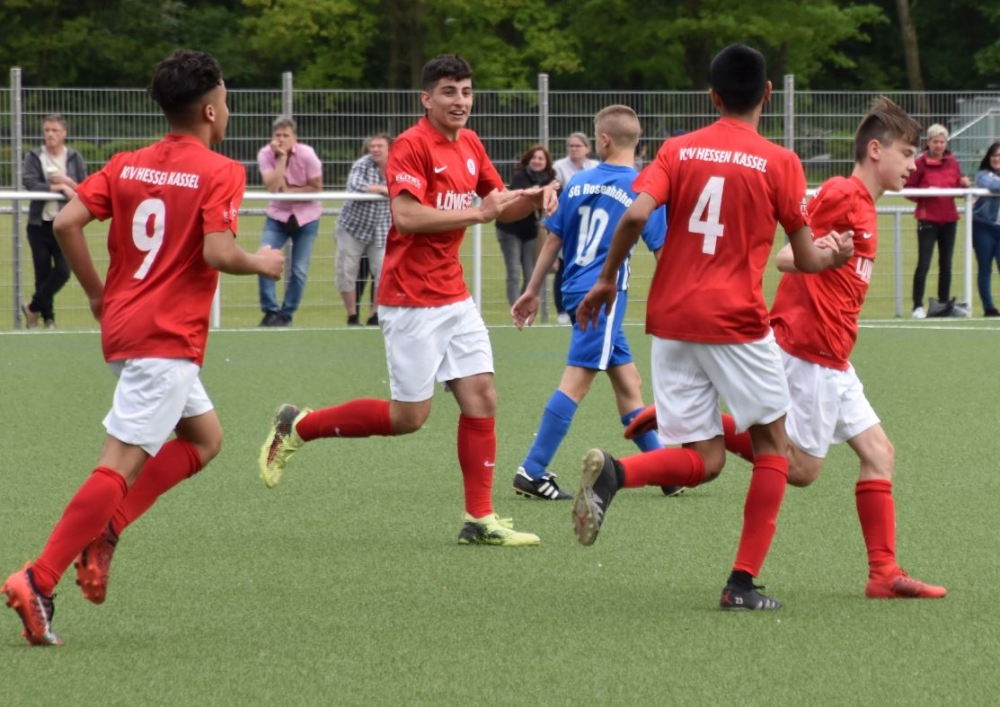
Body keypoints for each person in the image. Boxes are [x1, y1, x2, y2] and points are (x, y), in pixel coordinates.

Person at [1, 49, 284, 647]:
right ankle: (39, 578)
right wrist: (261, 261)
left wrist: (97, 294)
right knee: (119, 463)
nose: (227, 109)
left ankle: (107, 530)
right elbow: (217, 251)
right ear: (211, 110)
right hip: (168, 338)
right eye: (226, 100)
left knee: (205, 439)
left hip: (127, 330)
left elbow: (65, 223)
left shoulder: (128, 163)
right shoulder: (221, 170)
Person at [628, 98, 947, 601]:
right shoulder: (843, 193)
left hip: (834, 355)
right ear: (875, 150)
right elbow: (784, 257)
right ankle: (695, 423)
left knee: (879, 453)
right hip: (807, 348)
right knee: (800, 469)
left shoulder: (865, 204)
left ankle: (883, 574)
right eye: (907, 153)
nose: (914, 163)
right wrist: (825, 255)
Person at [571, 44, 852, 611]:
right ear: (767, 93)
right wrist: (837, 253)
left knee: (706, 458)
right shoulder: (780, 161)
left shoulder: (677, 149)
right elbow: (805, 258)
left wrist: (605, 280)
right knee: (775, 448)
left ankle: (617, 474)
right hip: (735, 321)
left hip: (672, 320)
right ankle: (741, 584)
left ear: (713, 97)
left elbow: (635, 213)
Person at [257, 54, 557, 546]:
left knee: (482, 397)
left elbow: (499, 206)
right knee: (408, 418)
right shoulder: (411, 146)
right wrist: (478, 214)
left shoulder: (471, 143)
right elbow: (408, 217)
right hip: (411, 298)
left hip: (454, 295)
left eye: (466, 92)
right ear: (427, 98)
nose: (460, 101)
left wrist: (536, 196)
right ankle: (299, 426)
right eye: (449, 92)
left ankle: (480, 519)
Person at [510, 105, 677, 501]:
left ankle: (665, 470)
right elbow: (663, 252)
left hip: (573, 287)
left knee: (629, 382)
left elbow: (554, 238)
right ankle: (532, 469)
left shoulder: (579, 181)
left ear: (603, 140)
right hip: (603, 295)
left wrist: (532, 289)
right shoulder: (643, 187)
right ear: (637, 141)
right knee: (577, 381)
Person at [21, 114, 88, 329]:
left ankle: (32, 307)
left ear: (64, 133)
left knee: (62, 271)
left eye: (54, 130)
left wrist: (68, 182)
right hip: (39, 225)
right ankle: (49, 319)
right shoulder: (34, 156)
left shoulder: (74, 158)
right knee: (42, 273)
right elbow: (30, 183)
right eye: (47, 130)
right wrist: (57, 187)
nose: (50, 134)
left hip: (64, 225)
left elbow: (85, 187)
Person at [257, 115, 322, 326]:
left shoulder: (307, 154)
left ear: (295, 137)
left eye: (286, 135)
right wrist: (282, 158)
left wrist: (290, 191)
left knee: (299, 269)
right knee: (263, 258)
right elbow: (273, 187)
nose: (281, 139)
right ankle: (270, 311)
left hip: (306, 218)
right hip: (278, 216)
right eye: (278, 135)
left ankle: (286, 315)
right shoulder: (266, 154)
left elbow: (316, 187)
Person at [904, 124, 971, 318]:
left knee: (946, 264)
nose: (939, 145)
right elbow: (907, 188)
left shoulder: (952, 162)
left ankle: (943, 303)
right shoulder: (920, 163)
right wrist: (925, 193)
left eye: (942, 142)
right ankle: (917, 305)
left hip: (948, 219)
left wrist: (964, 185)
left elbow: (957, 186)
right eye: (935, 141)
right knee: (924, 263)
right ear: (929, 142)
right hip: (928, 219)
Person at [336, 133, 391, 326]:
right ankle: (352, 316)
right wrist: (383, 189)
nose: (374, 149)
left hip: (381, 228)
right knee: (346, 271)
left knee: (383, 272)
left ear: (390, 149)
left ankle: (375, 315)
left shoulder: (398, 166)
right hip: (352, 227)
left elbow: (404, 186)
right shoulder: (362, 164)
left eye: (379, 146)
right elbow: (355, 185)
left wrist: (387, 189)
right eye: (372, 146)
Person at [496, 145, 556, 306]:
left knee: (531, 274)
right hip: (510, 229)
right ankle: (514, 308)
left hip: (532, 233)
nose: (537, 161)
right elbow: (520, 196)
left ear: (547, 162)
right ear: (528, 160)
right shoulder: (520, 177)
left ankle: (522, 307)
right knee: (514, 273)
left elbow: (557, 196)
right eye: (534, 158)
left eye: (541, 158)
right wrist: (538, 191)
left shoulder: (551, 179)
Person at [552, 133, 600, 324]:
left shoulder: (595, 167)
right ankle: (562, 310)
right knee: (563, 264)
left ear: (587, 148)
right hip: (569, 221)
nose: (574, 149)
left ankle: (589, 302)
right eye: (571, 146)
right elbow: (556, 193)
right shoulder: (559, 167)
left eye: (578, 146)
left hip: (590, 223)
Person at [972, 142, 1000, 316]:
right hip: (983, 227)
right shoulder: (983, 175)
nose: (997, 159)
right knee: (985, 267)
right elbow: (993, 186)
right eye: (994, 155)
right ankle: (988, 307)